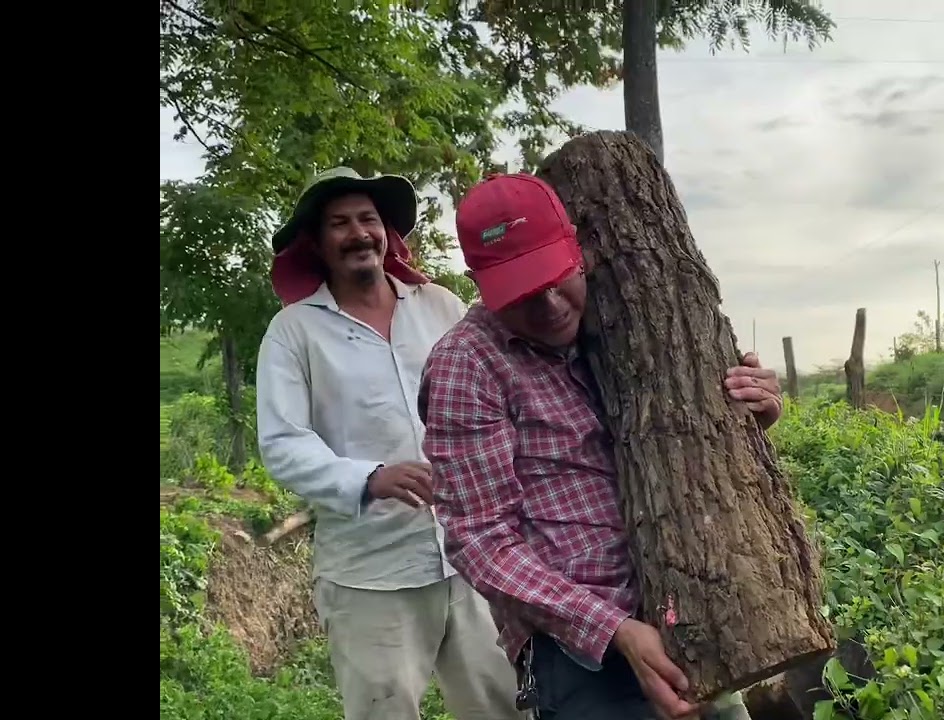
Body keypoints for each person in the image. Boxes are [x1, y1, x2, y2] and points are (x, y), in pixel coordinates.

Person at [420, 172, 784, 720]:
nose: (548, 304)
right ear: (479, 281)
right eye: (520, 294)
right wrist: (613, 629)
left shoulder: (625, 321)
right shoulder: (466, 364)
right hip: (582, 652)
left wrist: (750, 411)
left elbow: (679, 444)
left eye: (556, 276)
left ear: (576, 248)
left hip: (688, 603)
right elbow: (481, 540)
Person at [254, 167, 522, 720]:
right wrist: (369, 477)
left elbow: (501, 387)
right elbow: (283, 442)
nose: (358, 234)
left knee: (504, 706)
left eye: (367, 220)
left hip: (472, 556)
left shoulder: (440, 307)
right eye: (339, 224)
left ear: (386, 233)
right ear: (319, 243)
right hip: (370, 574)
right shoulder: (295, 331)